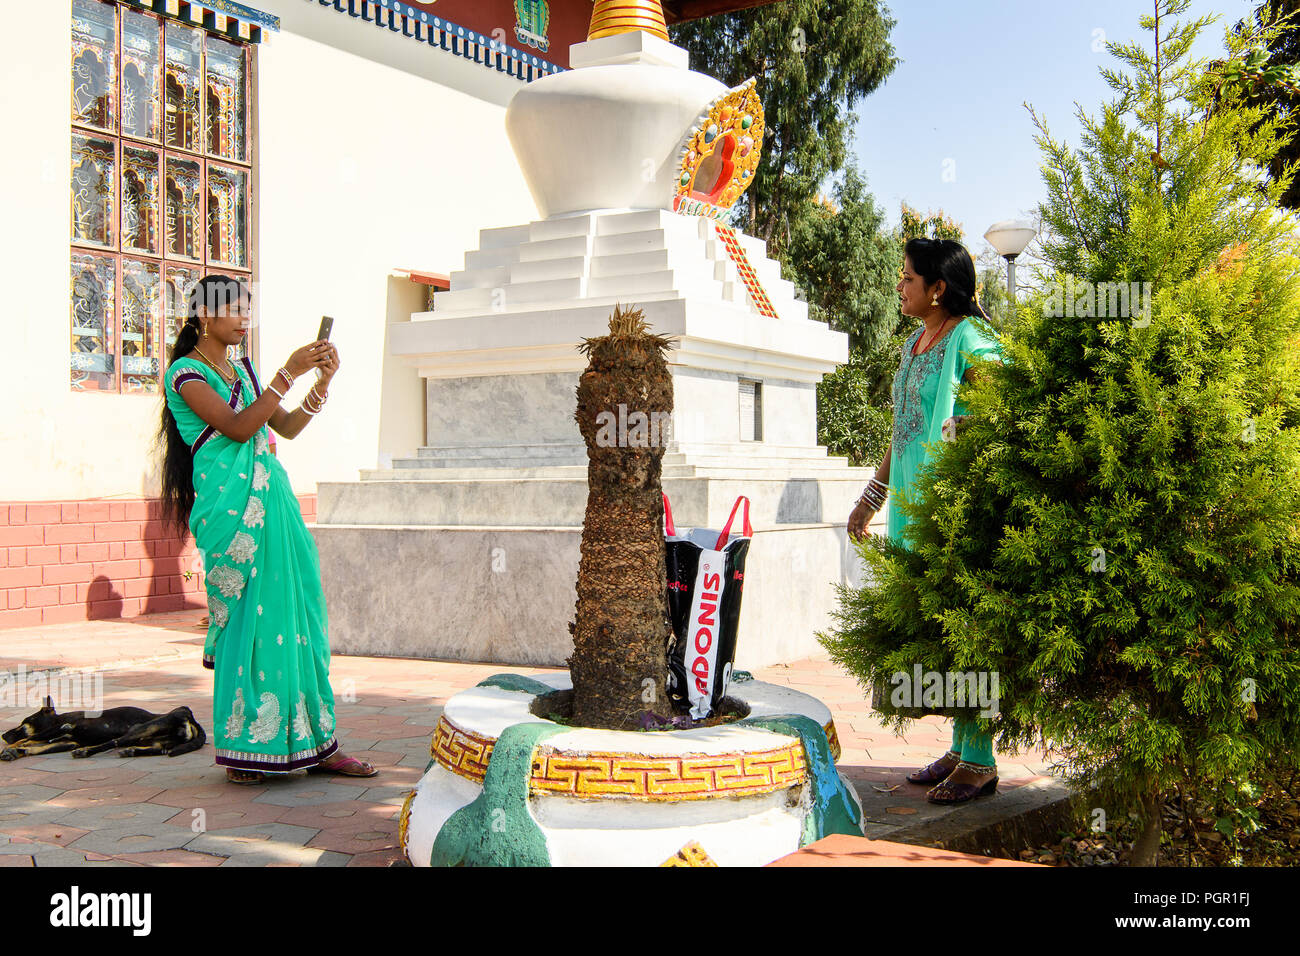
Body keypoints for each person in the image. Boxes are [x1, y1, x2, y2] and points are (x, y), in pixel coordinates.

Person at [158, 274, 377, 785]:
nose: (242, 319)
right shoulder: (186, 375)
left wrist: (319, 382)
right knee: (249, 623)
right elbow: (237, 429)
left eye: (245, 310)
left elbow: (287, 426)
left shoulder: (244, 371)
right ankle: (247, 747)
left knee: (297, 615)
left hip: (273, 504)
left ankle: (317, 741)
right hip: (234, 515)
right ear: (203, 316)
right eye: (234, 310)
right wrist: (288, 371)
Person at [846, 238, 1002, 805]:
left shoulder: (972, 338)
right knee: (940, 628)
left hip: (955, 510)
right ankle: (963, 748)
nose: (900, 285)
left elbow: (997, 414)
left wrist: (962, 438)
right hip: (914, 509)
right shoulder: (915, 344)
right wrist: (871, 496)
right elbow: (904, 430)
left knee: (968, 626)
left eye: (908, 278)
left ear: (938, 288)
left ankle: (981, 759)